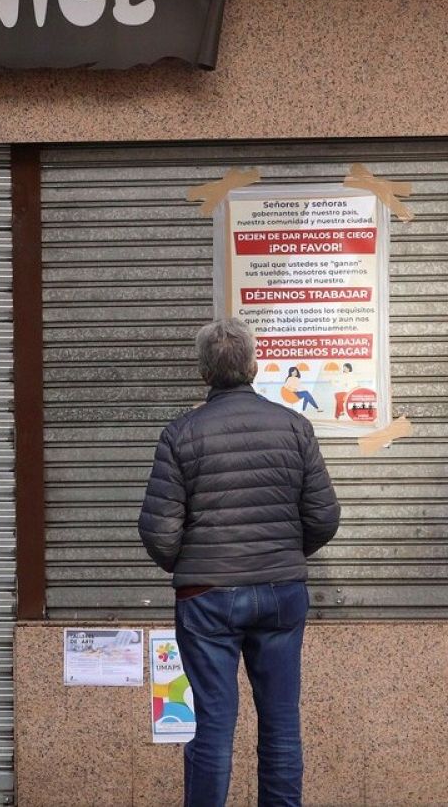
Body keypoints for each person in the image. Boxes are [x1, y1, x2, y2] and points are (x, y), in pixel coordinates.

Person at [139, 318, 340, 807]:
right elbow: (324, 516)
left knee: (213, 725)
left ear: (203, 371)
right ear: (254, 364)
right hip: (281, 594)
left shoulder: (180, 434)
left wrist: (194, 567)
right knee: (281, 723)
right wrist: (283, 555)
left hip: (207, 599)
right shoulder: (295, 427)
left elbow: (159, 531)